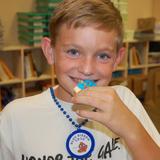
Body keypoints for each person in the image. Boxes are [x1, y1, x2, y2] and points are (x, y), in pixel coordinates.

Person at [0, 0, 160, 159]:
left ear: (117, 59)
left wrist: (130, 128)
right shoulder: (14, 118)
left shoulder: (125, 101)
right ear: (50, 52)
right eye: (73, 52)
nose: (87, 69)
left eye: (103, 55)